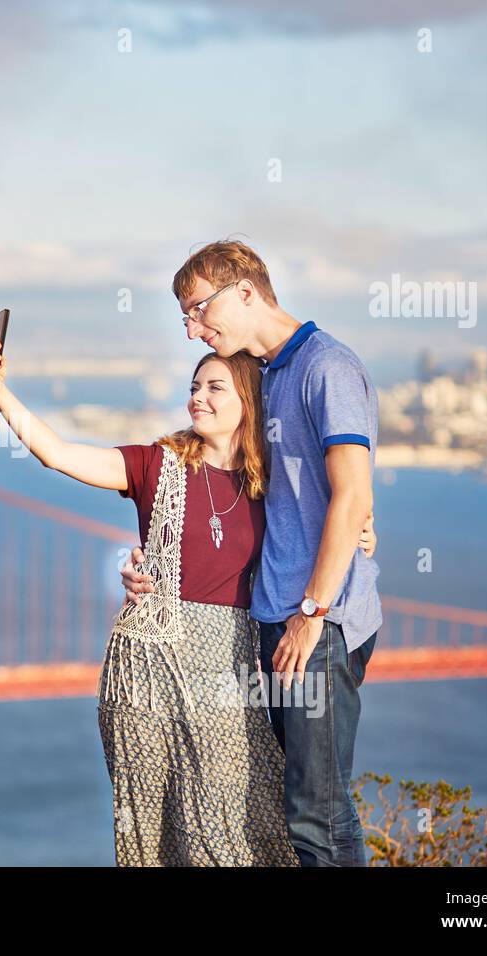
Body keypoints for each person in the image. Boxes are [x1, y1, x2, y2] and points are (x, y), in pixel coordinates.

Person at [0, 332, 376, 865]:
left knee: (245, 820)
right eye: (194, 386)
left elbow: (339, 512)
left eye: (215, 387)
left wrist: (364, 534)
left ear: (247, 404)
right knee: (157, 828)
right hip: (147, 665)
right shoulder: (153, 465)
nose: (198, 396)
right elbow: (58, 454)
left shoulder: (272, 484)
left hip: (230, 664)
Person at [122, 239, 382, 867]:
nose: (192, 330)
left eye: (198, 310)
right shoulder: (264, 376)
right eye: (185, 318)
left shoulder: (327, 367)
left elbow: (351, 497)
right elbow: (254, 491)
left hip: (317, 622)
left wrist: (311, 612)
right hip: (275, 617)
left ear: (244, 291)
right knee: (310, 804)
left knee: (312, 818)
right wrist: (147, 563)